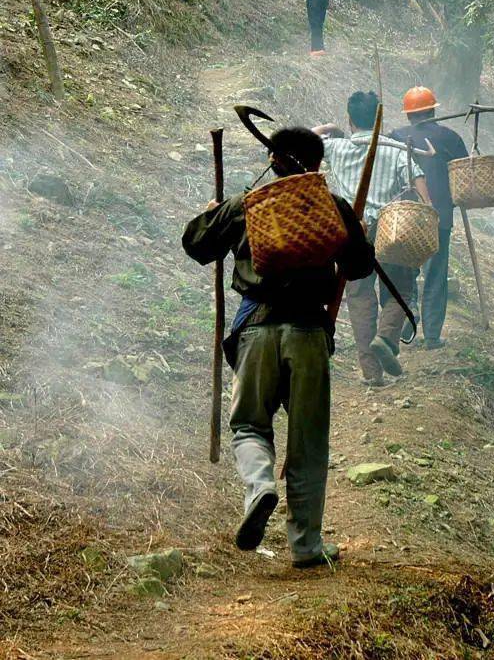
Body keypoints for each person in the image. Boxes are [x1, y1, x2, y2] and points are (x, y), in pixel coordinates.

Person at [181, 126, 373, 568]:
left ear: (273, 160)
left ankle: (260, 487)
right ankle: (306, 546)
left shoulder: (246, 205)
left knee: (249, 425)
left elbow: (195, 244)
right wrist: (355, 230)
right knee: (308, 441)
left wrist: (212, 213)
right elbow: (360, 267)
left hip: (256, 329)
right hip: (308, 331)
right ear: (318, 163)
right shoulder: (330, 205)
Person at [314, 91, 430, 385]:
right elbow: (420, 189)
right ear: (379, 118)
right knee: (401, 289)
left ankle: (371, 373)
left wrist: (329, 128)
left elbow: (302, 141)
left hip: (351, 232)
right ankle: (387, 337)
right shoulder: (394, 150)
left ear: (350, 118)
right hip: (390, 229)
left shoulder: (335, 148)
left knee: (359, 297)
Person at [390, 86, 468, 349]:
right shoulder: (451, 138)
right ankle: (432, 335)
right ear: (433, 110)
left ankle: (405, 320)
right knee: (435, 273)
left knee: (406, 271)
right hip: (438, 218)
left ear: (408, 114)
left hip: (404, 218)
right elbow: (462, 177)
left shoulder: (395, 137)